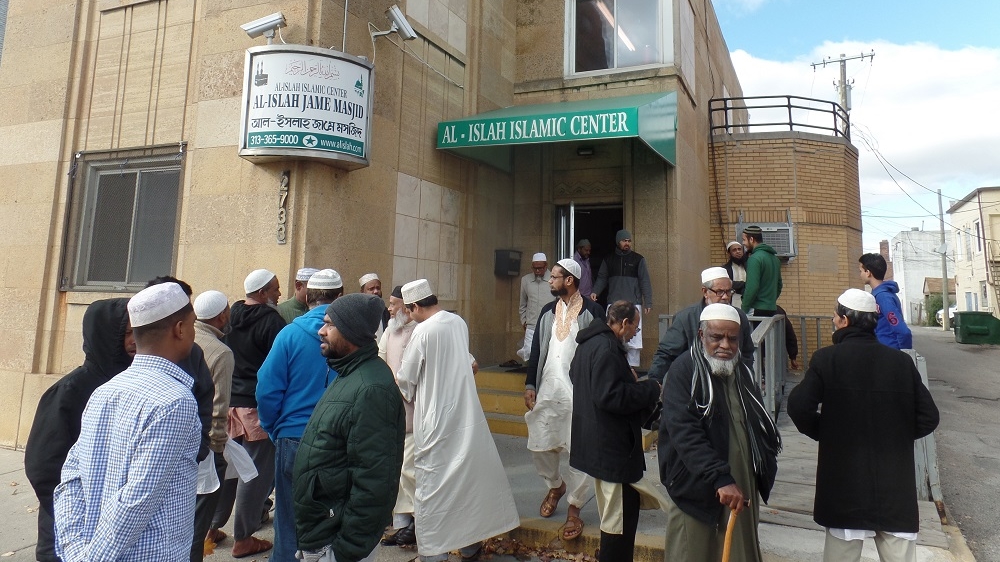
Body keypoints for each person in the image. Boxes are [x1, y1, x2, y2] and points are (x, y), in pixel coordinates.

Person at [787, 289, 939, 562]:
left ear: (844, 321)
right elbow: (929, 417)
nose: (834, 321)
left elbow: (799, 407)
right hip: (895, 486)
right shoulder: (902, 363)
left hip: (845, 482)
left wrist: (828, 432)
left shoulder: (827, 359)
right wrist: (896, 435)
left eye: (835, 317)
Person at [53, 283, 202, 561]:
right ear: (179, 329)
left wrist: (74, 549)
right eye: (193, 325)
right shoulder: (174, 401)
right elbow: (136, 500)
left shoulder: (106, 390)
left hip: (91, 549)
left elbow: (70, 479)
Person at [397, 279, 519, 562]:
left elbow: (407, 379)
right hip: (465, 416)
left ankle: (433, 553)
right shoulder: (458, 322)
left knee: (433, 489)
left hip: (435, 420)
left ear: (415, 306)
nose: (409, 315)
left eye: (409, 310)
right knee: (465, 484)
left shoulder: (423, 331)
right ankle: (469, 546)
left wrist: (393, 375)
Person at [658, 303, 781, 562]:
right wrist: (720, 478)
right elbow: (685, 433)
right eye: (716, 337)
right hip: (697, 483)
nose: (725, 345)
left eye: (732, 339)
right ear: (702, 335)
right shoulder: (684, 371)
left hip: (741, 482)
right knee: (693, 551)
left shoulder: (742, 372)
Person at [292, 293, 405, 562]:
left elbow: (374, 482)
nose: (321, 331)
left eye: (330, 324)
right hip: (323, 529)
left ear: (351, 331)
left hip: (337, 542)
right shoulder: (350, 374)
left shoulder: (371, 388)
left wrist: (345, 550)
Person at [24, 298, 135, 562]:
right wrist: (75, 517)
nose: (134, 340)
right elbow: (44, 467)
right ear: (107, 335)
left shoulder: (130, 383)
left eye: (137, 332)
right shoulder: (70, 391)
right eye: (128, 332)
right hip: (69, 537)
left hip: (112, 532)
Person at [256, 269, 344, 561]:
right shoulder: (352, 337)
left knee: (288, 520)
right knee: (333, 517)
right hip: (337, 438)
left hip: (293, 438)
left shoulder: (290, 334)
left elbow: (267, 390)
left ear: (307, 296)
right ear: (340, 296)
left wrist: (273, 428)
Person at [569, 300, 661, 561]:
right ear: (623, 324)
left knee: (615, 516)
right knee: (617, 524)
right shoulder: (608, 348)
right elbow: (611, 396)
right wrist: (649, 389)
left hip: (598, 445)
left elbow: (576, 374)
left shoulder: (589, 343)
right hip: (612, 450)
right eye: (635, 326)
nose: (635, 333)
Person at [524, 258, 605, 541]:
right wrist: (530, 383)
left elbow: (601, 354)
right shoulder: (548, 311)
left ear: (568, 280)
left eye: (555, 276)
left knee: (580, 450)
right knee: (539, 442)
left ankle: (574, 506)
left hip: (579, 392)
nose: (550, 281)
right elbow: (536, 350)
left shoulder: (594, 311)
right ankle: (556, 485)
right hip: (548, 389)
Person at [211, 269, 286, 558]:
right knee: (254, 474)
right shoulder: (272, 322)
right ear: (263, 292)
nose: (279, 294)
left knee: (228, 470)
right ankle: (243, 538)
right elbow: (276, 369)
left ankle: (212, 528)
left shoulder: (232, 315)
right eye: (275, 289)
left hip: (229, 404)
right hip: (255, 407)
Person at [648, 267, 755, 383]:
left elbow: (747, 353)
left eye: (729, 291)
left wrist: (747, 380)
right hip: (696, 384)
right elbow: (666, 354)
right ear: (705, 292)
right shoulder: (686, 318)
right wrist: (654, 383)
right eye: (719, 292)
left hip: (732, 382)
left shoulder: (739, 317)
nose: (725, 297)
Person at [191, 291, 235, 561]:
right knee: (198, 523)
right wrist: (216, 450)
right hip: (205, 447)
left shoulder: (182, 340)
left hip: (178, 443)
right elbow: (219, 407)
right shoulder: (220, 352)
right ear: (222, 316)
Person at [379, 285, 420, 547]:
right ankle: (402, 525)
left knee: (411, 470)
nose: (390, 309)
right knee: (398, 470)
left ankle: (419, 524)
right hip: (392, 408)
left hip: (415, 410)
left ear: (407, 306)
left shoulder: (420, 330)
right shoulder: (390, 330)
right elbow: (381, 358)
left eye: (394, 304)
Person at [591, 229, 653, 367]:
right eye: (624, 241)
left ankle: (632, 369)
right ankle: (616, 367)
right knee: (613, 336)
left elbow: (645, 281)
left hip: (634, 305)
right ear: (618, 241)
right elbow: (602, 278)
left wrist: (648, 301)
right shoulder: (609, 259)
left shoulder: (638, 259)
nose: (627, 243)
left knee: (634, 339)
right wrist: (595, 291)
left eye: (629, 241)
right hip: (613, 304)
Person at [859, 253, 913, 349]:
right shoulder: (878, 295)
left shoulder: (883, 297)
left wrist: (905, 355)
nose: (860, 275)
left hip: (890, 352)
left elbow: (903, 331)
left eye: (861, 271)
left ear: (868, 272)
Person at [740, 225, 782, 317]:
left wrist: (744, 308)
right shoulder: (775, 259)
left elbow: (752, 287)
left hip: (755, 309)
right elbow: (779, 285)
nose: (743, 243)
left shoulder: (754, 259)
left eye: (744, 240)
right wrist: (770, 302)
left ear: (751, 239)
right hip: (771, 309)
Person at [518, 252, 551, 362]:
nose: (537, 271)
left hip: (549, 325)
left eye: (540, 268)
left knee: (547, 355)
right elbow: (522, 304)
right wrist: (523, 321)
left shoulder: (553, 279)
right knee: (530, 354)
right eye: (535, 268)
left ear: (546, 266)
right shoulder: (526, 280)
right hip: (531, 325)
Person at [358, 272, 391, 340]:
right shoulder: (358, 313)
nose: (376, 291)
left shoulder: (386, 312)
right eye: (371, 289)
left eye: (378, 288)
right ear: (362, 292)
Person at [722, 241, 748, 309]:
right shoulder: (725, 269)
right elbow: (728, 284)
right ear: (729, 253)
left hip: (748, 301)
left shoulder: (749, 266)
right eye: (734, 250)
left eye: (739, 249)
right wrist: (744, 284)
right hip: (732, 301)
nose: (738, 252)